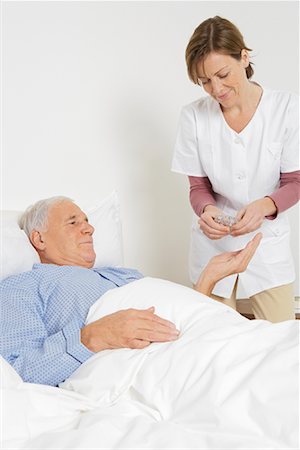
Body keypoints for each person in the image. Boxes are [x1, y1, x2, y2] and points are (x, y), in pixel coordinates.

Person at [0, 196, 262, 387]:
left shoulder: (123, 274)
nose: (89, 228)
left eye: (88, 221)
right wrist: (91, 337)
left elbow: (173, 325)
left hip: (211, 342)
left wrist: (208, 279)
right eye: (72, 222)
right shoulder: (21, 287)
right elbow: (15, 371)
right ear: (39, 239)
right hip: (161, 369)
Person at [172, 16, 300, 322]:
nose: (216, 88)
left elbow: (295, 181)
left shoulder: (285, 108)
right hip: (213, 247)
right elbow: (198, 187)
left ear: (243, 57)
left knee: (282, 343)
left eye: (222, 74)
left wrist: (266, 206)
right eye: (204, 81)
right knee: (216, 344)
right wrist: (206, 211)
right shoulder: (194, 116)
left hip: (267, 245)